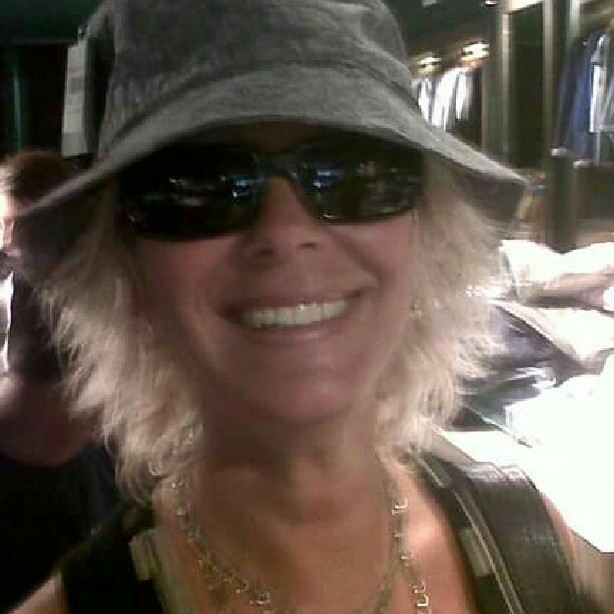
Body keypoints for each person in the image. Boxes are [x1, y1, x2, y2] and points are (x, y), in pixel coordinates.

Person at [12, 1, 593, 613]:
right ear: (127, 267)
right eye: (199, 185)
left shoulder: (537, 547)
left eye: (353, 172)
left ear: (425, 232)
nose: (285, 231)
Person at [0, 150, 121, 611]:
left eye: (18, 226)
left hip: (59, 473)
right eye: (3, 225)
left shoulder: (66, 286)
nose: (8, 240)